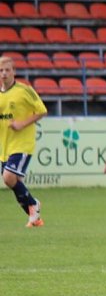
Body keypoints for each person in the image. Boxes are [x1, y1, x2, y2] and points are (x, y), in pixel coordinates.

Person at [0, 55, 47, 227]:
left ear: (14, 71)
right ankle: (35, 216)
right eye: (0, 70)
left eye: (7, 70)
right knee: (14, 182)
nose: (3, 73)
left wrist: (21, 124)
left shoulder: (24, 90)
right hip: (5, 146)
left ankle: (33, 205)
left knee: (8, 177)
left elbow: (42, 111)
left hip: (22, 144)